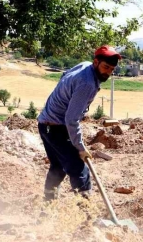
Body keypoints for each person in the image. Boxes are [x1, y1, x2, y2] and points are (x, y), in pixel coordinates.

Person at [37, 45, 120, 200]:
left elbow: (64, 76)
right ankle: (86, 213)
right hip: (56, 128)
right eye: (106, 67)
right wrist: (80, 148)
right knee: (79, 169)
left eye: (111, 69)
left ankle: (47, 206)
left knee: (58, 166)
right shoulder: (87, 84)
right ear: (96, 62)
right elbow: (71, 119)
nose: (108, 72)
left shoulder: (84, 65)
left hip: (44, 124)